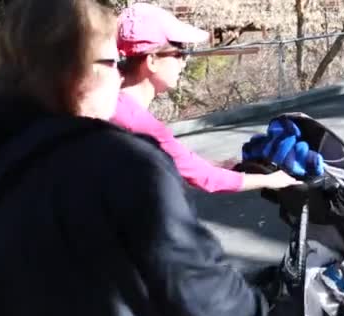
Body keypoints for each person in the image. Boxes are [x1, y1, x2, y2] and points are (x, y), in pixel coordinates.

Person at [0, 1, 268, 316]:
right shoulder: (122, 166)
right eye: (113, 62)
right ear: (76, 72)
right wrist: (260, 304)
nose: (119, 75)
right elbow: (210, 304)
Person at [111, 3, 301, 193]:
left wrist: (214, 165)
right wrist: (270, 180)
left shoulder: (108, 103)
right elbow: (206, 179)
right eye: (179, 53)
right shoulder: (138, 125)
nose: (185, 62)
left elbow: (181, 161)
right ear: (152, 60)